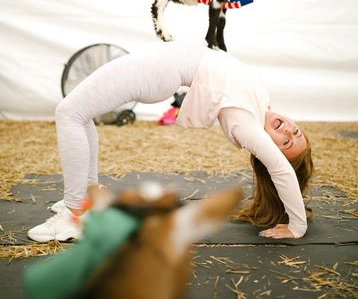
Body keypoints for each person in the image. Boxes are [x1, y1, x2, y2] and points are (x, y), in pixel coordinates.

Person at [28, 41, 313, 243]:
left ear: (270, 148)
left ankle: (75, 212)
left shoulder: (246, 125)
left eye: (285, 142)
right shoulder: (261, 102)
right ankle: (86, 197)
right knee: (80, 113)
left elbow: (281, 170)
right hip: (161, 61)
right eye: (296, 132)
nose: (288, 130)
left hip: (158, 69)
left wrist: (296, 226)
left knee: (69, 113)